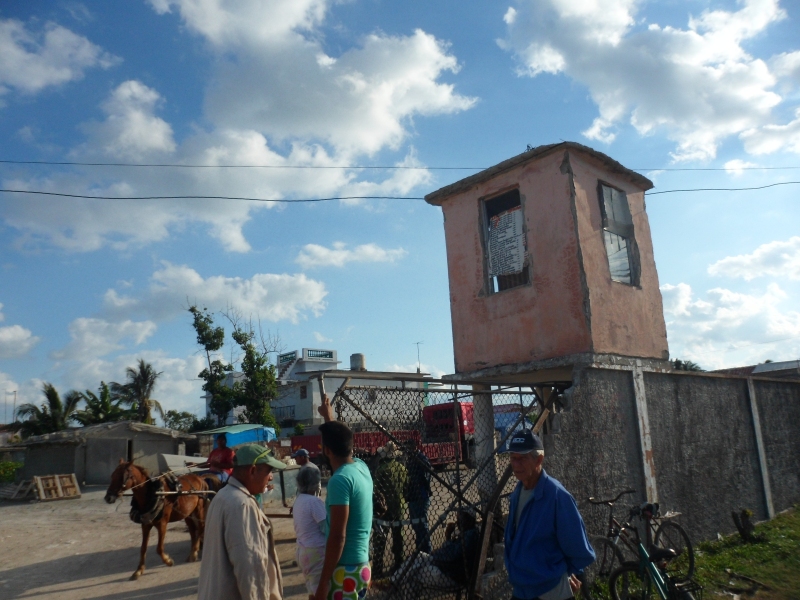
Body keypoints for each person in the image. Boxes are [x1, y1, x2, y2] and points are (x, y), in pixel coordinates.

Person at [504, 430, 595, 600]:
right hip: (521, 589)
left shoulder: (556, 496)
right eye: (513, 458)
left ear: (539, 459)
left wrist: (568, 574)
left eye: (522, 458)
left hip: (550, 592)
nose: (516, 465)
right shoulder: (517, 493)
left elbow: (579, 548)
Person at [198, 443, 286, 600]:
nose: (270, 477)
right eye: (268, 471)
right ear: (252, 470)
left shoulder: (221, 496)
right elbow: (251, 570)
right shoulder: (243, 505)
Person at [312, 394, 374, 600]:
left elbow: (338, 536)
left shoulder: (339, 481)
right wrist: (329, 418)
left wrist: (322, 584)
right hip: (361, 567)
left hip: (345, 571)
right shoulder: (361, 468)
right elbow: (340, 441)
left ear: (327, 450)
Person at [374, 507, 480, 599]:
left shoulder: (469, 536)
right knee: (414, 564)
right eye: (458, 517)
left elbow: (451, 556)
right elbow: (450, 553)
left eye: (461, 517)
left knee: (412, 572)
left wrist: (433, 557)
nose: (457, 521)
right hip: (448, 571)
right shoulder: (467, 533)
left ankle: (393, 583)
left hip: (452, 577)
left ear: (470, 520)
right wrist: (448, 537)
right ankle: (393, 583)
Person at [372, 441, 409, 576]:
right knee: (398, 537)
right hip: (399, 507)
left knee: (380, 538)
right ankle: (399, 564)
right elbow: (406, 488)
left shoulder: (381, 469)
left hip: (384, 510)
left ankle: (377, 569)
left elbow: (376, 490)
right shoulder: (402, 468)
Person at [292, 464, 327, 594]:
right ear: (315, 484)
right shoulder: (314, 502)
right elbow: (326, 528)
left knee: (312, 590)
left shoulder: (299, 500)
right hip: (316, 551)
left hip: (303, 550)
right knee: (321, 591)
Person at [405, 440, 432, 554]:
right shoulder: (412, 459)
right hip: (413, 496)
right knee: (416, 524)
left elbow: (426, 476)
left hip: (421, 495)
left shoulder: (420, 459)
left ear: (414, 447)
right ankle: (420, 549)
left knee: (421, 524)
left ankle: (426, 549)